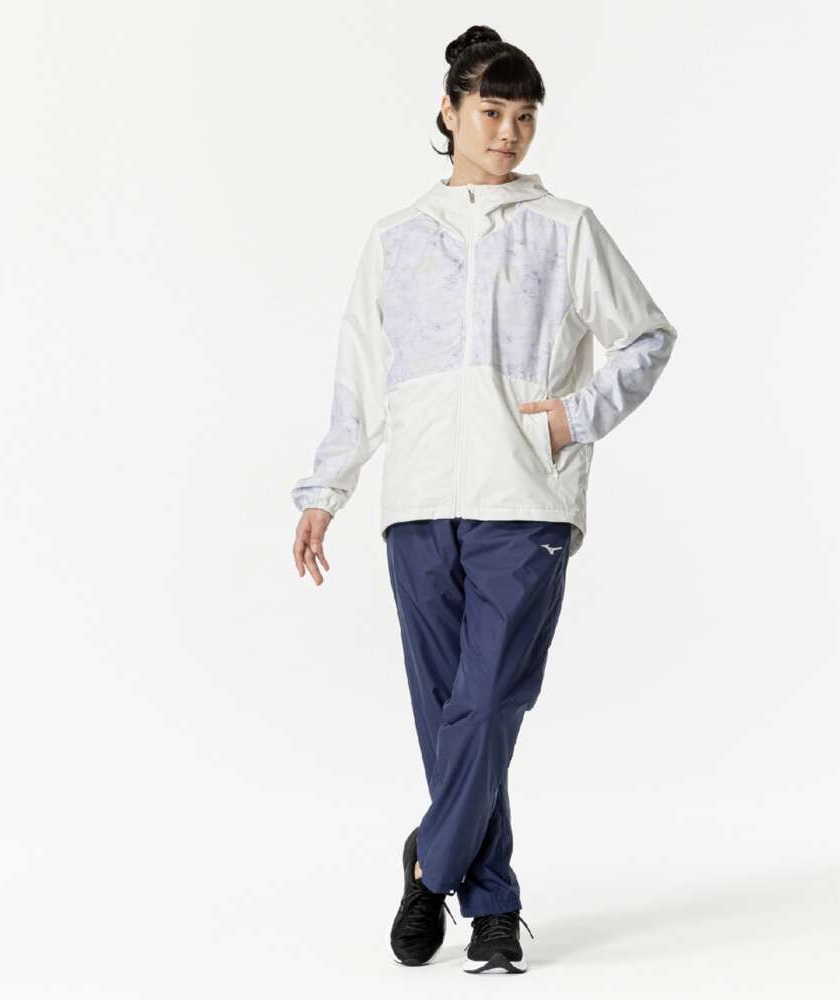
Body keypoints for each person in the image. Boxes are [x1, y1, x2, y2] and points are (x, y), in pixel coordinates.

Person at [290, 25, 677, 974]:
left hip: (526, 496)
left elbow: (647, 337)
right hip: (418, 498)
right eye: (492, 111)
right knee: (446, 711)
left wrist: (575, 417)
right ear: (450, 111)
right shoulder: (396, 240)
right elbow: (361, 377)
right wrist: (327, 488)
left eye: (525, 116)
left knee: (493, 698)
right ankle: (493, 903)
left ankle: (431, 865)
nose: (509, 132)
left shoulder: (565, 228)